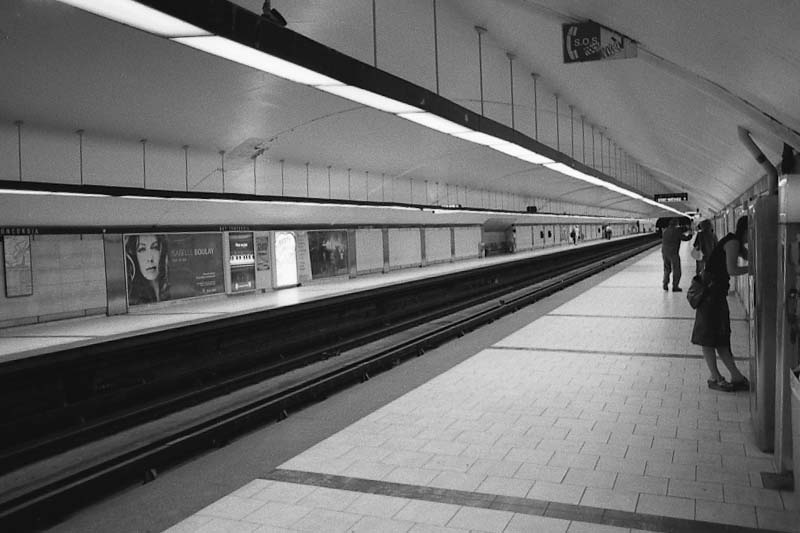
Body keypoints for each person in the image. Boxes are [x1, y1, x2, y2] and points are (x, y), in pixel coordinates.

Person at [691, 216, 749, 392]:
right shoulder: (732, 243)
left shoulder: (733, 241)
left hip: (715, 294)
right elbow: (732, 269)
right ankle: (715, 377)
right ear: (747, 230)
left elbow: (750, 256)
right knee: (711, 338)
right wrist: (753, 269)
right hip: (710, 295)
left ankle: (735, 375)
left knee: (719, 336)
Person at [125, 234, 169, 305]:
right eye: (142, 249)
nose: (150, 259)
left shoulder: (171, 288)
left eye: (155, 247)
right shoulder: (133, 299)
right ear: (135, 256)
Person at [661, 218, 692, 291]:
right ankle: (675, 286)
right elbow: (685, 238)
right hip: (673, 253)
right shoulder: (677, 231)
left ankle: (665, 284)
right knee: (676, 270)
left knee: (667, 269)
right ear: (676, 224)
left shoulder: (665, 231)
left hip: (664, 252)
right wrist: (690, 234)